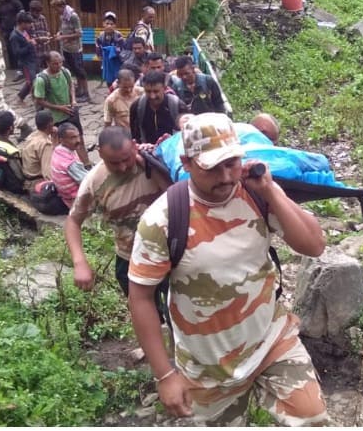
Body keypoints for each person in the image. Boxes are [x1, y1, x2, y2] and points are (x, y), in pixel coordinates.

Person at [127, 112, 329, 425]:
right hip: (207, 365)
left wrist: (270, 190)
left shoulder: (255, 194)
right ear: (188, 162)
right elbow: (140, 297)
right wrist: (165, 374)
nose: (225, 177)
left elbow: (314, 245)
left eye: (231, 163)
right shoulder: (164, 219)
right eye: (212, 167)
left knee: (313, 419)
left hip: (272, 341)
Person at [65, 126, 172, 359]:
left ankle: (181, 350)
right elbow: (73, 222)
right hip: (130, 257)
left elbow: (178, 196)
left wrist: (152, 168)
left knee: (179, 307)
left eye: (126, 159)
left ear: (134, 146)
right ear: (101, 157)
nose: (123, 167)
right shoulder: (95, 182)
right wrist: (79, 262)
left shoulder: (154, 163)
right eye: (115, 163)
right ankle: (156, 354)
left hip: (170, 254)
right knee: (145, 311)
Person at [34, 51, 90, 166]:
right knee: (60, 144)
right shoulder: (42, 79)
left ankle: (86, 163)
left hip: (70, 111)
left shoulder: (65, 72)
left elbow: (71, 86)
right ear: (47, 63)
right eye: (55, 63)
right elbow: (39, 100)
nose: (59, 65)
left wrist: (73, 99)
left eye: (60, 62)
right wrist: (59, 107)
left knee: (79, 139)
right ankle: (64, 166)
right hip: (55, 117)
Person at [129, 69, 187, 147]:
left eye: (156, 91)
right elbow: (135, 136)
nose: (152, 96)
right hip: (147, 153)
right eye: (148, 91)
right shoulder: (137, 107)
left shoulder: (178, 106)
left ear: (165, 88)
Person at [51, 0, 91, 104]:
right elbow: (62, 29)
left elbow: (79, 33)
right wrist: (59, 33)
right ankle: (80, 91)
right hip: (66, 48)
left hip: (75, 49)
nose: (55, 11)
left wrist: (63, 38)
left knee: (80, 71)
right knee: (74, 70)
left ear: (62, 6)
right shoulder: (63, 17)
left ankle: (86, 94)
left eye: (56, 8)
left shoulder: (73, 16)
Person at [50, 122, 88, 209]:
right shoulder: (70, 163)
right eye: (73, 138)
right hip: (76, 201)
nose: (78, 140)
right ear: (61, 140)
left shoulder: (58, 150)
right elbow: (87, 182)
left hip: (66, 196)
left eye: (78, 136)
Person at [0, 0, 24, 75]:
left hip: (17, 30)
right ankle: (14, 68)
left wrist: (20, 27)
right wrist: (0, 28)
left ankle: (22, 67)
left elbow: (22, 15)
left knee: (20, 47)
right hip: (6, 30)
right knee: (10, 48)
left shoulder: (15, 2)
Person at [11, 11, 40, 102]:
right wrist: (30, 45)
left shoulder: (24, 31)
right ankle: (36, 100)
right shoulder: (14, 36)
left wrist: (36, 41)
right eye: (29, 23)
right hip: (25, 63)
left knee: (35, 79)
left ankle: (21, 97)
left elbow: (29, 41)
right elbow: (16, 53)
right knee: (31, 81)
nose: (31, 25)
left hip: (32, 59)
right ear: (22, 23)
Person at [21, 110, 56, 184]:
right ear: (50, 124)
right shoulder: (45, 144)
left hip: (27, 175)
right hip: (37, 180)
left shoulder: (32, 136)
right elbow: (48, 173)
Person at [97, 11, 126, 89]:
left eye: (111, 24)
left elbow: (122, 49)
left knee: (118, 79)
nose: (109, 26)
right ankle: (110, 92)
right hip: (106, 62)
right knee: (109, 80)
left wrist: (111, 50)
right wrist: (101, 57)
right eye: (107, 23)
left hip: (117, 61)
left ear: (115, 25)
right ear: (103, 24)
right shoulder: (100, 36)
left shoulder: (119, 35)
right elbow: (98, 49)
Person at [27, 0, 52, 72]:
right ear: (31, 10)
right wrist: (40, 39)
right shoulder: (27, 19)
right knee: (36, 70)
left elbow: (46, 30)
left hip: (45, 48)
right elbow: (29, 36)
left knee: (48, 69)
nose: (38, 14)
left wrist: (48, 35)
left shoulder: (42, 17)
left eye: (39, 12)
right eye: (36, 12)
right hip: (35, 50)